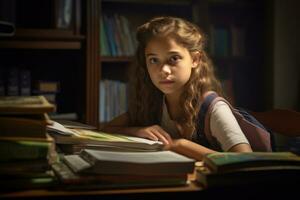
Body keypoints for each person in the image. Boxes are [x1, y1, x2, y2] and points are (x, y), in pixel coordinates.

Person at [101, 16, 252, 160]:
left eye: (174, 58)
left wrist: (181, 145)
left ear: (195, 59)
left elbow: (245, 160)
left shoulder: (213, 108)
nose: (164, 70)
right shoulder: (154, 103)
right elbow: (105, 131)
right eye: (154, 60)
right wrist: (137, 131)